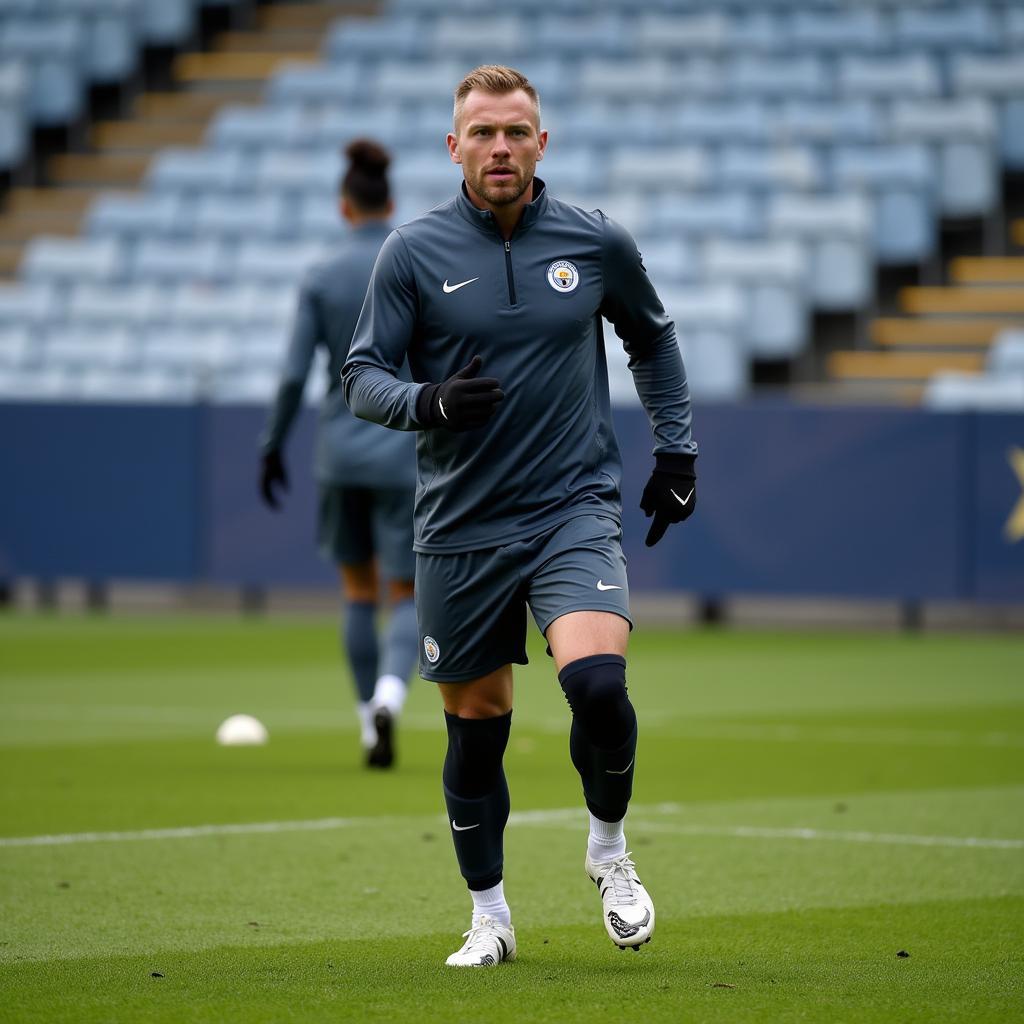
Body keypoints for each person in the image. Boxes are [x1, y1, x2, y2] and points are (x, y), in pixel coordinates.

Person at [342, 66, 698, 965]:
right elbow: (362, 378)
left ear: (543, 142)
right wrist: (428, 403)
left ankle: (609, 851)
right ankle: (490, 918)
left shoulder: (594, 240)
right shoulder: (410, 254)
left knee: (599, 688)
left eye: (516, 132)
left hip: (573, 508)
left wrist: (678, 448)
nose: (500, 147)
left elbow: (651, 335)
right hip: (460, 525)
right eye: (483, 133)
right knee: (478, 728)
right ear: (453, 146)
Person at [260, 139, 418, 770]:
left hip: (340, 453)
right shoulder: (414, 262)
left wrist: (272, 444)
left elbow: (294, 375)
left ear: (343, 206)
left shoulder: (321, 276)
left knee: (358, 591)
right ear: (391, 203)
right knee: (407, 592)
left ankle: (363, 723)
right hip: (405, 450)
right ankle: (389, 698)